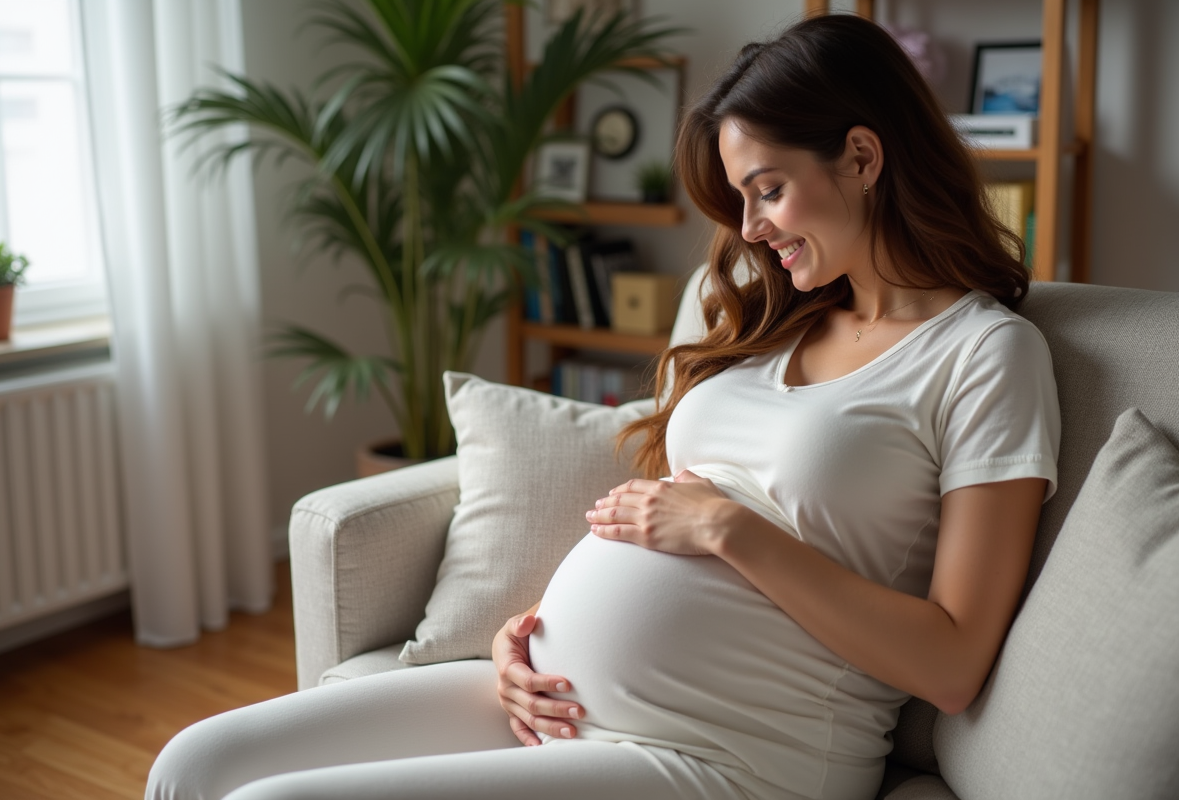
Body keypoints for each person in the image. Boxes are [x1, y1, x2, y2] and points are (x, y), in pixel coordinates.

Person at [146, 14, 1059, 800]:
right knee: (197, 762)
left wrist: (728, 529)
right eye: (741, 199)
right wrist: (526, 637)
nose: (750, 229)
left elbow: (951, 663)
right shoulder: (773, 317)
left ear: (862, 156)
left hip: (733, 757)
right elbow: (652, 527)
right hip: (558, 702)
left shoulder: (985, 356)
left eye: (768, 189)